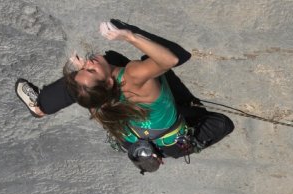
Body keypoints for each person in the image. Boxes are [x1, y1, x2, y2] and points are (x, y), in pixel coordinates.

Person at [16, 20, 234, 174]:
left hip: (131, 136)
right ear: (109, 82)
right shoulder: (133, 75)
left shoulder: (98, 102)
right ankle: (162, 151)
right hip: (169, 141)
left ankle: (41, 106)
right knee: (222, 123)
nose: (88, 63)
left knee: (86, 87)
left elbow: (86, 87)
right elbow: (170, 60)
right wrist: (129, 35)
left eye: (84, 68)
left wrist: (85, 72)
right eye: (90, 69)